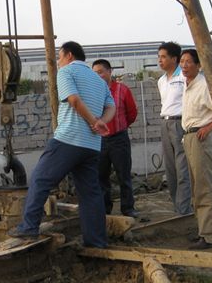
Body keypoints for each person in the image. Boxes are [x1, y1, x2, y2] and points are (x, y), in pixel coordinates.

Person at [8, 41, 116, 247]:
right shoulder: (99, 81)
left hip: (69, 139)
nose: (58, 61)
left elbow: (73, 101)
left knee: (40, 179)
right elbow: (112, 107)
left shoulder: (66, 72)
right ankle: (96, 241)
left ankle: (29, 227)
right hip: (92, 145)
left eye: (59, 56)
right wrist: (101, 121)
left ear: (68, 55)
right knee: (90, 194)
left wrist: (94, 121)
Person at [180, 49, 212, 249]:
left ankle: (210, 236)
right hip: (188, 137)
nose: (184, 65)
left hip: (199, 137)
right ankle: (202, 232)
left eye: (188, 62)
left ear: (198, 65)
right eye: (182, 61)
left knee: (204, 186)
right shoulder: (188, 86)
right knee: (196, 188)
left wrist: (208, 127)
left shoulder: (204, 85)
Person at [91, 59, 138, 218]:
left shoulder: (122, 90)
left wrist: (120, 126)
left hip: (119, 139)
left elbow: (132, 113)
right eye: (94, 73)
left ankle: (128, 208)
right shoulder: (92, 93)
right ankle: (105, 209)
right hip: (100, 141)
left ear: (110, 72)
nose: (98, 76)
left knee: (123, 176)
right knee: (101, 177)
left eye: (100, 72)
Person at [157, 41, 192, 215]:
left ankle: (184, 209)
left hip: (180, 123)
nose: (160, 60)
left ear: (174, 58)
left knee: (182, 168)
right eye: (159, 57)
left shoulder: (184, 77)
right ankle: (177, 205)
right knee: (170, 169)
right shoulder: (161, 81)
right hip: (165, 123)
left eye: (163, 57)